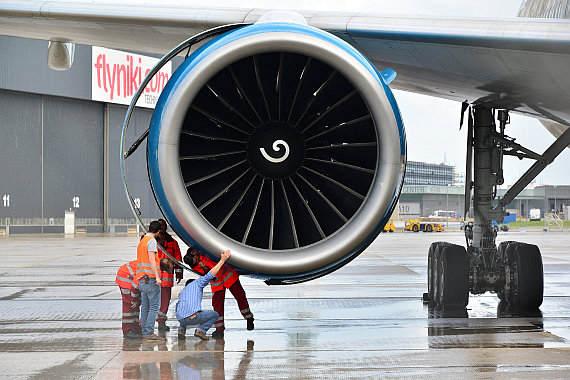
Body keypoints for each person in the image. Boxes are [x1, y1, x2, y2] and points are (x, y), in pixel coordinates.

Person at [184, 247, 254, 340]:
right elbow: (209, 276)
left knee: (240, 297)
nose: (197, 260)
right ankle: (219, 329)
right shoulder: (196, 267)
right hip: (217, 283)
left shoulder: (200, 251)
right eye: (195, 261)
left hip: (229, 276)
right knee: (217, 306)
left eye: (196, 258)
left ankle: (249, 318)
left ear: (194, 254)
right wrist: (204, 267)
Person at [176, 249, 231, 341]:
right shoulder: (198, 283)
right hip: (193, 317)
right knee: (214, 315)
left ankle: (181, 329)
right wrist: (222, 260)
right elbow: (210, 275)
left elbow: (177, 307)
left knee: (183, 311)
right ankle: (201, 330)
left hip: (181, 319)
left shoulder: (182, 292)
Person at [133, 220, 164, 340]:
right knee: (154, 307)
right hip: (150, 279)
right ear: (158, 231)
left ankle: (145, 332)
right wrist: (157, 276)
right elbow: (152, 260)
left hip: (141, 278)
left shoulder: (142, 241)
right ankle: (149, 332)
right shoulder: (151, 241)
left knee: (145, 307)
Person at [156, 219, 183, 331]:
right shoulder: (151, 240)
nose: (162, 227)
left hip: (167, 279)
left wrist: (179, 273)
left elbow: (177, 258)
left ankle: (161, 322)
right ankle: (144, 323)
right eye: (160, 226)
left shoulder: (173, 242)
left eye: (163, 225)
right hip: (155, 277)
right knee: (151, 302)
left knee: (165, 301)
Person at [115, 260, 142, 339]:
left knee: (135, 306)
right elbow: (135, 284)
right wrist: (134, 299)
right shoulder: (149, 269)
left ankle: (135, 328)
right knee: (129, 304)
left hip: (128, 275)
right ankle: (127, 330)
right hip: (125, 278)